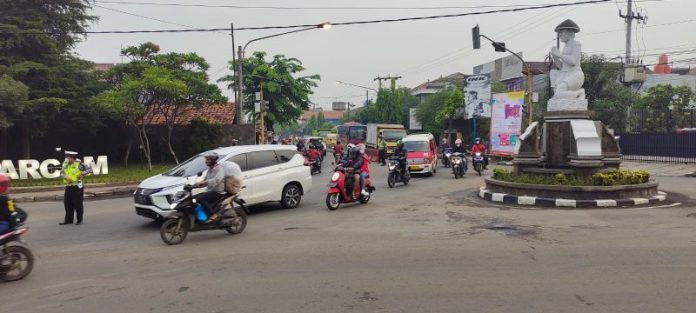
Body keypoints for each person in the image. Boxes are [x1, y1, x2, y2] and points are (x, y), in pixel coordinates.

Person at [192, 152, 227, 222]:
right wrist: (196, 185)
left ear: (213, 160)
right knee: (193, 199)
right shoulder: (210, 169)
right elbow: (205, 180)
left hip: (218, 192)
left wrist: (204, 182)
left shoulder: (220, 169)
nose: (206, 161)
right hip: (210, 191)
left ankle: (212, 214)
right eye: (206, 159)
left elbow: (216, 180)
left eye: (208, 159)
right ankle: (198, 217)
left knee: (200, 198)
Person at [60, 151, 92, 225]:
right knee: (67, 204)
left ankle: (79, 220)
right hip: (68, 186)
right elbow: (61, 173)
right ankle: (68, 220)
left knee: (78, 204)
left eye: (67, 157)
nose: (66, 158)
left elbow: (89, 169)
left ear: (72, 157)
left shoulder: (79, 164)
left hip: (77, 187)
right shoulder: (66, 165)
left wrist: (82, 173)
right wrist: (66, 177)